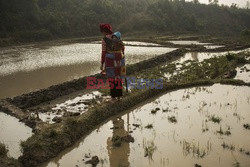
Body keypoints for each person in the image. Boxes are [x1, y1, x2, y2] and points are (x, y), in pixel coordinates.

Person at [99, 24, 125, 100]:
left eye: (102, 32)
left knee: (112, 78)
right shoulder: (116, 36)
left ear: (104, 31)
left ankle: (113, 97)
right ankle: (119, 96)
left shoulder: (104, 39)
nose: (102, 33)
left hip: (110, 60)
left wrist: (102, 63)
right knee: (118, 77)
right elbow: (123, 47)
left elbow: (103, 52)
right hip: (119, 60)